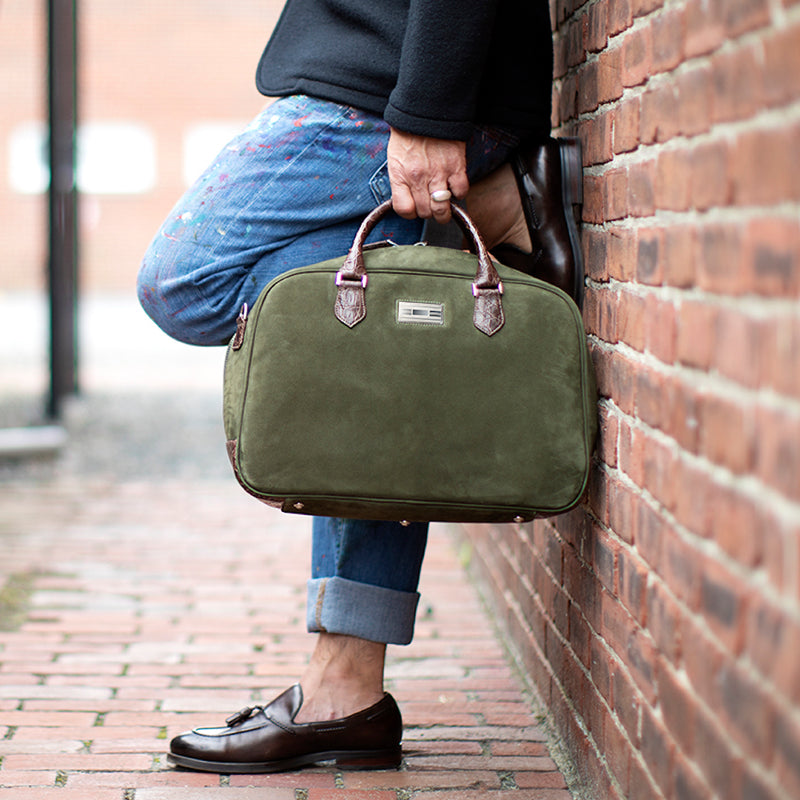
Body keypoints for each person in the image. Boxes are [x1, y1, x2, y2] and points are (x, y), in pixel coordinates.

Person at [137, 0, 583, 775]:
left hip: (384, 87)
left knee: (180, 281)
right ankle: (346, 690)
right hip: (381, 74)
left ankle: (501, 197)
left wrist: (428, 112)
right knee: (375, 349)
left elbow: (188, 288)